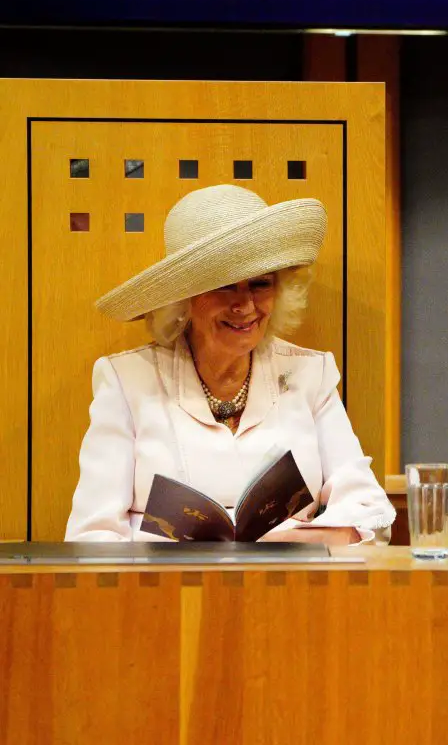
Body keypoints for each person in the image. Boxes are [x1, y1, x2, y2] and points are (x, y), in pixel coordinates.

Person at [65, 184, 396, 545]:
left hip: (289, 590)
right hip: (165, 595)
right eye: (224, 286)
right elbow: (92, 534)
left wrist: (311, 539)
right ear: (184, 298)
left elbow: (369, 508)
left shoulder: (308, 375)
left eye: (260, 284)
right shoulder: (127, 381)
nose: (246, 306)